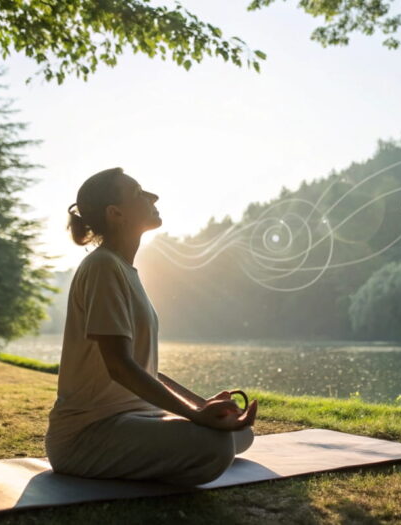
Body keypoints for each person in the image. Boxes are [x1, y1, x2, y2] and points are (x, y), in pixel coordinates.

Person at [45, 167, 257, 486]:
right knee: (216, 445)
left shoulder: (124, 269)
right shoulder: (103, 267)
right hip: (87, 435)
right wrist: (196, 416)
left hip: (134, 417)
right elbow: (120, 366)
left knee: (241, 433)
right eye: (139, 193)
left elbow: (144, 369)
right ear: (116, 213)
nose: (152, 197)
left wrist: (202, 406)